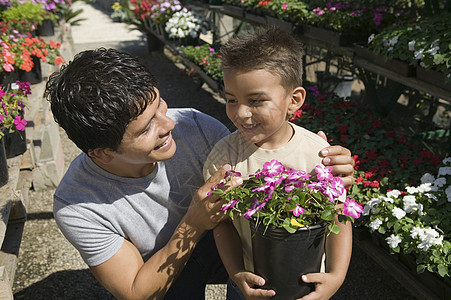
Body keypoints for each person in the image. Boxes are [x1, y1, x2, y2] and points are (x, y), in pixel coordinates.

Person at [45, 47, 354, 299]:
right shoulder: (78, 205)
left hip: (234, 237)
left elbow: (267, 158)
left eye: (160, 106)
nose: (168, 125)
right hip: (165, 258)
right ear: (102, 152)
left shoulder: (195, 126)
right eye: (146, 129)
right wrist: (194, 223)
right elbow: (136, 292)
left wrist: (326, 168)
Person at [203, 27, 352, 300]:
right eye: (231, 99)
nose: (240, 113)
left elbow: (339, 216)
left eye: (256, 100)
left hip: (307, 285)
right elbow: (221, 224)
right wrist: (236, 273)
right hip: (250, 287)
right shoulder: (223, 160)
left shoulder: (319, 154)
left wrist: (336, 276)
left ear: (294, 100)